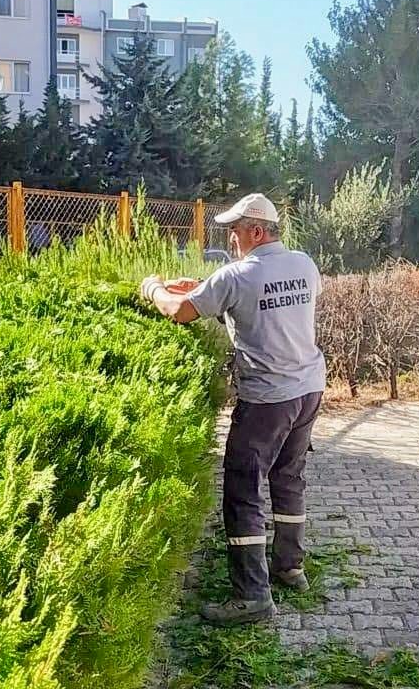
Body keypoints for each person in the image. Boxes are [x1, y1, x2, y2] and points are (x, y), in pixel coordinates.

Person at [139, 193, 326, 626]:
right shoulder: (305, 264)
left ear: (256, 231)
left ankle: (252, 597)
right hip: (309, 389)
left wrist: (153, 287)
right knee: (289, 476)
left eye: (236, 231)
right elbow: (263, 296)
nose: (232, 238)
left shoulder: (236, 275)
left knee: (243, 489)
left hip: (266, 399)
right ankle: (289, 566)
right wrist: (205, 287)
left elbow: (179, 312)